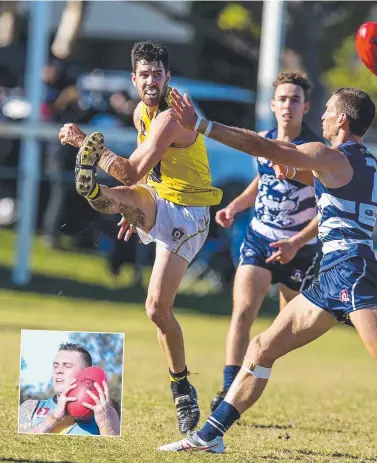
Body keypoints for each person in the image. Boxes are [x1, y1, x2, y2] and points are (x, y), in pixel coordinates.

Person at [158, 87, 377, 453]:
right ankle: (209, 437)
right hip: (332, 273)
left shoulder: (329, 155)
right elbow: (312, 177)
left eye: (328, 111)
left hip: (351, 271)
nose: (323, 117)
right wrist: (291, 170)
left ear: (342, 120)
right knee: (262, 346)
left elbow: (268, 150)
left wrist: (202, 125)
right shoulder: (366, 163)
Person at [58, 41, 222, 433]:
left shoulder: (170, 116)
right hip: (161, 198)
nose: (151, 81)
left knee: (156, 310)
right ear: (134, 79)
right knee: (115, 196)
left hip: (190, 212)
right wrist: (136, 209)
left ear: (168, 77)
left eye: (157, 74)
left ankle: (182, 386)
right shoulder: (140, 113)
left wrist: (86, 144)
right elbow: (144, 173)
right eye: (144, 75)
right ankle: (100, 196)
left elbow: (129, 170)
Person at [210, 71, 321, 411]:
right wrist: (234, 206)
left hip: (300, 251)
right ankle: (230, 389)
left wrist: (297, 242)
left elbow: (326, 210)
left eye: (295, 100)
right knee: (243, 310)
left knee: (284, 332)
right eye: (283, 99)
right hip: (261, 239)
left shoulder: (316, 152)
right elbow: (261, 181)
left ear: (306, 107)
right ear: (273, 105)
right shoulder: (262, 140)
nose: (288, 105)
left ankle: (255, 378)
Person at [18, 343, 120, 436]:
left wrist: (104, 424)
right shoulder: (30, 407)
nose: (58, 371)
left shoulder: (108, 414)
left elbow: (115, 453)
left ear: (84, 373)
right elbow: (15, 446)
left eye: (67, 366)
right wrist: (53, 418)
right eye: (55, 366)